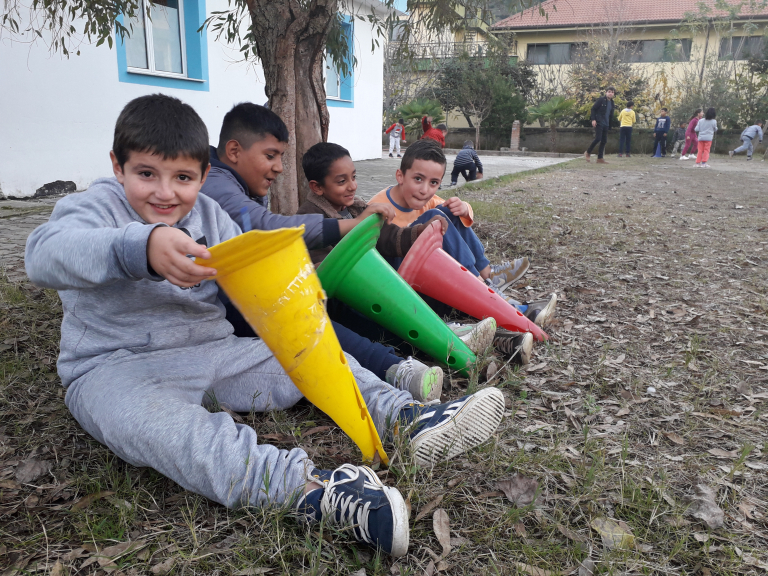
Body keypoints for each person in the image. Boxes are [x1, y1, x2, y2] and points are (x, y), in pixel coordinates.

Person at [24, 94, 508, 557]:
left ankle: (404, 417)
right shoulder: (95, 206)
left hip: (213, 349)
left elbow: (254, 273)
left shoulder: (211, 214)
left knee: (311, 353)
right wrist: (139, 246)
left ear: (204, 175)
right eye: (147, 174)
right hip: (115, 366)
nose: (165, 192)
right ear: (118, 166)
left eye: (183, 177)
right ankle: (313, 492)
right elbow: (43, 254)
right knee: (172, 432)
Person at [199, 102, 441, 401]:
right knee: (300, 309)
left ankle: (424, 345)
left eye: (281, 156)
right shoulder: (216, 183)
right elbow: (263, 227)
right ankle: (392, 367)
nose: (279, 167)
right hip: (223, 313)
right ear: (234, 151)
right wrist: (349, 225)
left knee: (325, 303)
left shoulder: (231, 181)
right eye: (270, 156)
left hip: (234, 299)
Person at [296, 141, 498, 358]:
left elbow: (388, 236)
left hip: (382, 286)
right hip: (361, 300)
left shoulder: (355, 207)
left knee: (438, 219)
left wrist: (419, 232)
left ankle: (481, 299)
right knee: (399, 325)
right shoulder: (310, 220)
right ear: (317, 187)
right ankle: (460, 325)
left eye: (354, 177)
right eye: (342, 181)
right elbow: (326, 269)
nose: (352, 186)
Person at [368, 139, 556, 328]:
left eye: (433, 183)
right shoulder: (378, 208)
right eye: (418, 179)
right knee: (434, 217)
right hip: (401, 286)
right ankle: (492, 295)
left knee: (449, 209)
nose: (424, 190)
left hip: (428, 273)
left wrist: (464, 208)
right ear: (400, 176)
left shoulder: (427, 199)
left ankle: (487, 273)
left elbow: (453, 211)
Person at [585, 87, 615, 164]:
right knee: (598, 138)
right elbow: (593, 109)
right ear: (606, 92)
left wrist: (610, 125)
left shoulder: (612, 102)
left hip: (606, 123)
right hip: (599, 122)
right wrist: (593, 119)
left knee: (604, 140)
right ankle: (588, 152)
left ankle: (600, 158)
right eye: (609, 91)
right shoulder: (601, 100)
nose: (610, 93)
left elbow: (610, 115)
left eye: (612, 92)